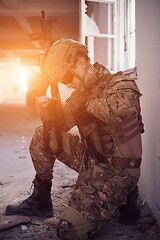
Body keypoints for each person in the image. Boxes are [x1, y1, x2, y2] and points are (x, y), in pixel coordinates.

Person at [5, 39, 144, 239]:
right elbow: (57, 125)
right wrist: (42, 96)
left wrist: (88, 106)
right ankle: (41, 199)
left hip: (118, 171)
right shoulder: (81, 94)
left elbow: (122, 109)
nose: (68, 83)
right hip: (92, 161)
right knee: (44, 136)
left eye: (68, 76)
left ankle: (126, 196)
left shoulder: (120, 83)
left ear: (80, 63)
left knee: (69, 230)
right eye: (63, 81)